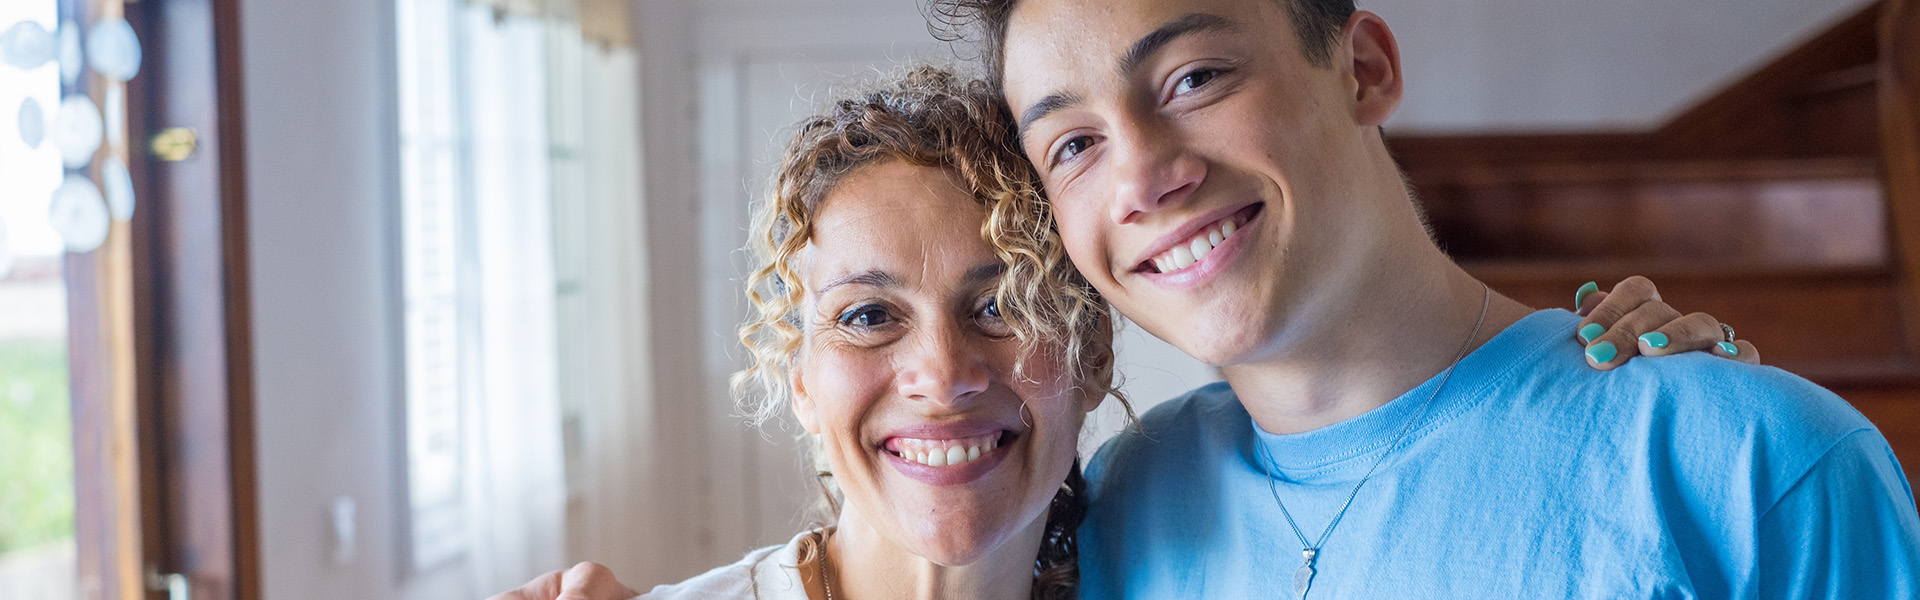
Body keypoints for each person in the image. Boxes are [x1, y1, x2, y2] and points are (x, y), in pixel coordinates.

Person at [489, 64, 1767, 600]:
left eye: (1005, 307)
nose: (940, 373)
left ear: (1092, 355)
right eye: (868, 316)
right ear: (798, 366)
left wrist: (1629, 384)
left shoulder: (1173, 532)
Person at [925, 0, 1920, 596]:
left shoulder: (1757, 464)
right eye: (1074, 145)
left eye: (1194, 77)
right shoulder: (1119, 506)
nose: (1143, 176)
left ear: (1363, 69)